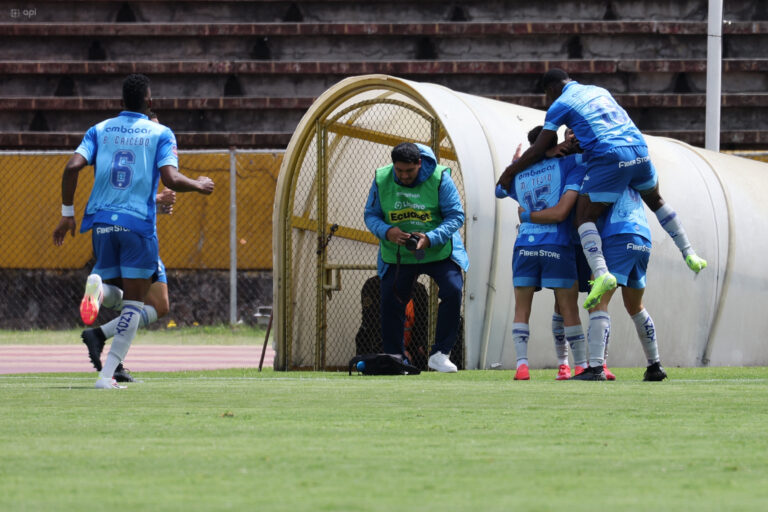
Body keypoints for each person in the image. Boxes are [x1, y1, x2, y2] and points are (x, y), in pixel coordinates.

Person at [497, 68, 707, 319]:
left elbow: (540, 147)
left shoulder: (560, 104)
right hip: (639, 149)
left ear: (551, 89)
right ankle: (689, 252)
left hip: (610, 157)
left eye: (547, 95)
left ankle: (602, 272)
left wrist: (510, 172)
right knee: (656, 200)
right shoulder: (599, 91)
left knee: (583, 217)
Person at [53, 73, 214, 389]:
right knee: (135, 307)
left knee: (123, 298)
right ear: (150, 102)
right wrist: (199, 185)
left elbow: (72, 167)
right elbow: (170, 177)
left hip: (101, 226)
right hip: (137, 228)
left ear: (120, 102)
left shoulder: (99, 129)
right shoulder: (161, 134)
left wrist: (67, 215)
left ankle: (97, 292)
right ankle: (106, 376)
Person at [80, 111, 176, 383]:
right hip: (137, 236)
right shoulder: (152, 142)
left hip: (108, 228)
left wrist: (159, 201)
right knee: (149, 304)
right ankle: (110, 360)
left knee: (143, 302)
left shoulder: (115, 139)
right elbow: (131, 191)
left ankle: (99, 333)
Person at [363, 142, 468, 373]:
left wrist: (430, 237)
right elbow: (371, 215)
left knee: (453, 289)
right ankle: (395, 356)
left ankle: (440, 354)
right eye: (399, 170)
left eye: (409, 171)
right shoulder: (382, 178)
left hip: (437, 250)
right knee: (391, 298)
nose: (403, 176)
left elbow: (456, 216)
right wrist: (387, 231)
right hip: (397, 254)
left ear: (419, 163)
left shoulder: (441, 178)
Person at [498, 126, 587, 381]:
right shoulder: (568, 164)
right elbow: (590, 158)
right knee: (568, 307)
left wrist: (517, 163)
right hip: (556, 243)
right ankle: (579, 365)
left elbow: (498, 190)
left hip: (525, 244)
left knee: (521, 309)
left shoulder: (520, 172)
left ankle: (522, 366)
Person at [570, 186, 668, 381]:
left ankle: (597, 367)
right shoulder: (636, 170)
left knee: (598, 301)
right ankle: (654, 365)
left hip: (618, 235)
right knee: (635, 306)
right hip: (642, 238)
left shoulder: (607, 166)